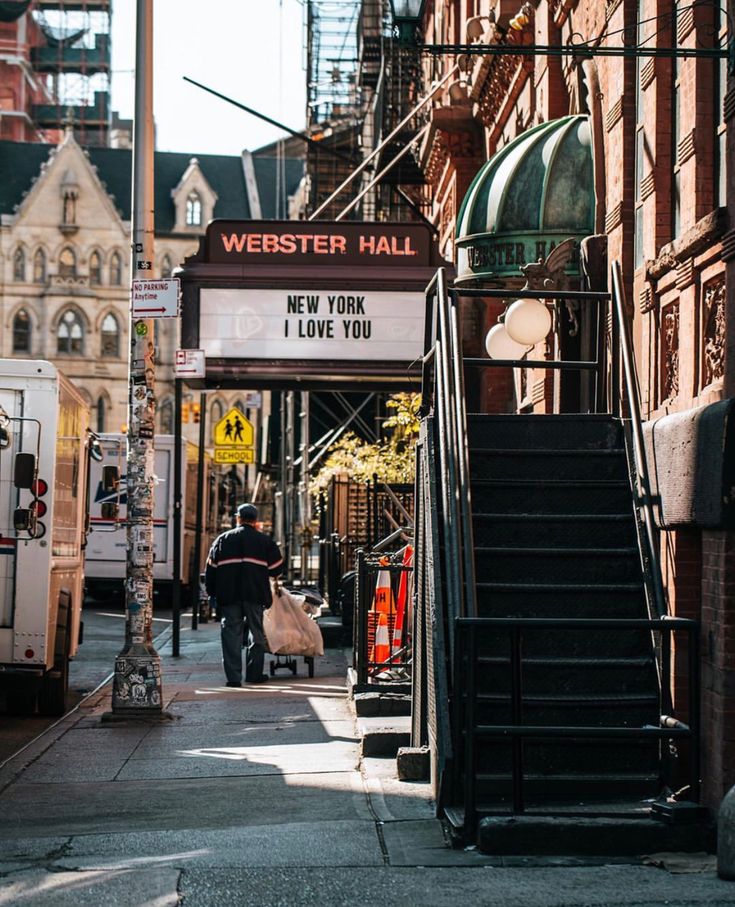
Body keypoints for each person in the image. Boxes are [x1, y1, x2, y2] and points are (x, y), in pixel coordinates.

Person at [205, 502, 283, 687]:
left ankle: (233, 678)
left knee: (231, 634)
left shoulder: (222, 540)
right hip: (255, 594)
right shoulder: (264, 541)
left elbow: (210, 570)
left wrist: (212, 593)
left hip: (229, 595)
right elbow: (277, 569)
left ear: (238, 518)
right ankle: (254, 674)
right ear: (255, 521)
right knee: (256, 633)